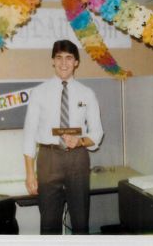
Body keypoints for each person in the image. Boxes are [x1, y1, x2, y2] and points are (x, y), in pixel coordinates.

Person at [22, 40, 104, 235]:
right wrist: (30, 173)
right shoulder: (39, 93)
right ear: (52, 61)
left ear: (76, 62)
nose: (64, 63)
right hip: (49, 159)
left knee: (80, 222)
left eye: (69, 58)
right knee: (49, 224)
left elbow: (97, 132)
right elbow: (29, 134)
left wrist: (81, 141)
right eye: (59, 57)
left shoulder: (87, 93)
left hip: (78, 158)